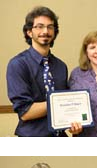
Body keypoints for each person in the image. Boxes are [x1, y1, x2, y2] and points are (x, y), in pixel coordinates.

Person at [6, 6, 81, 137]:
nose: (45, 31)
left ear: (54, 32)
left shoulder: (60, 66)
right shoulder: (18, 64)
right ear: (29, 32)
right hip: (33, 139)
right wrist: (59, 102)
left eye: (50, 27)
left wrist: (75, 124)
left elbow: (68, 107)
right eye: (39, 26)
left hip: (60, 137)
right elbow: (25, 112)